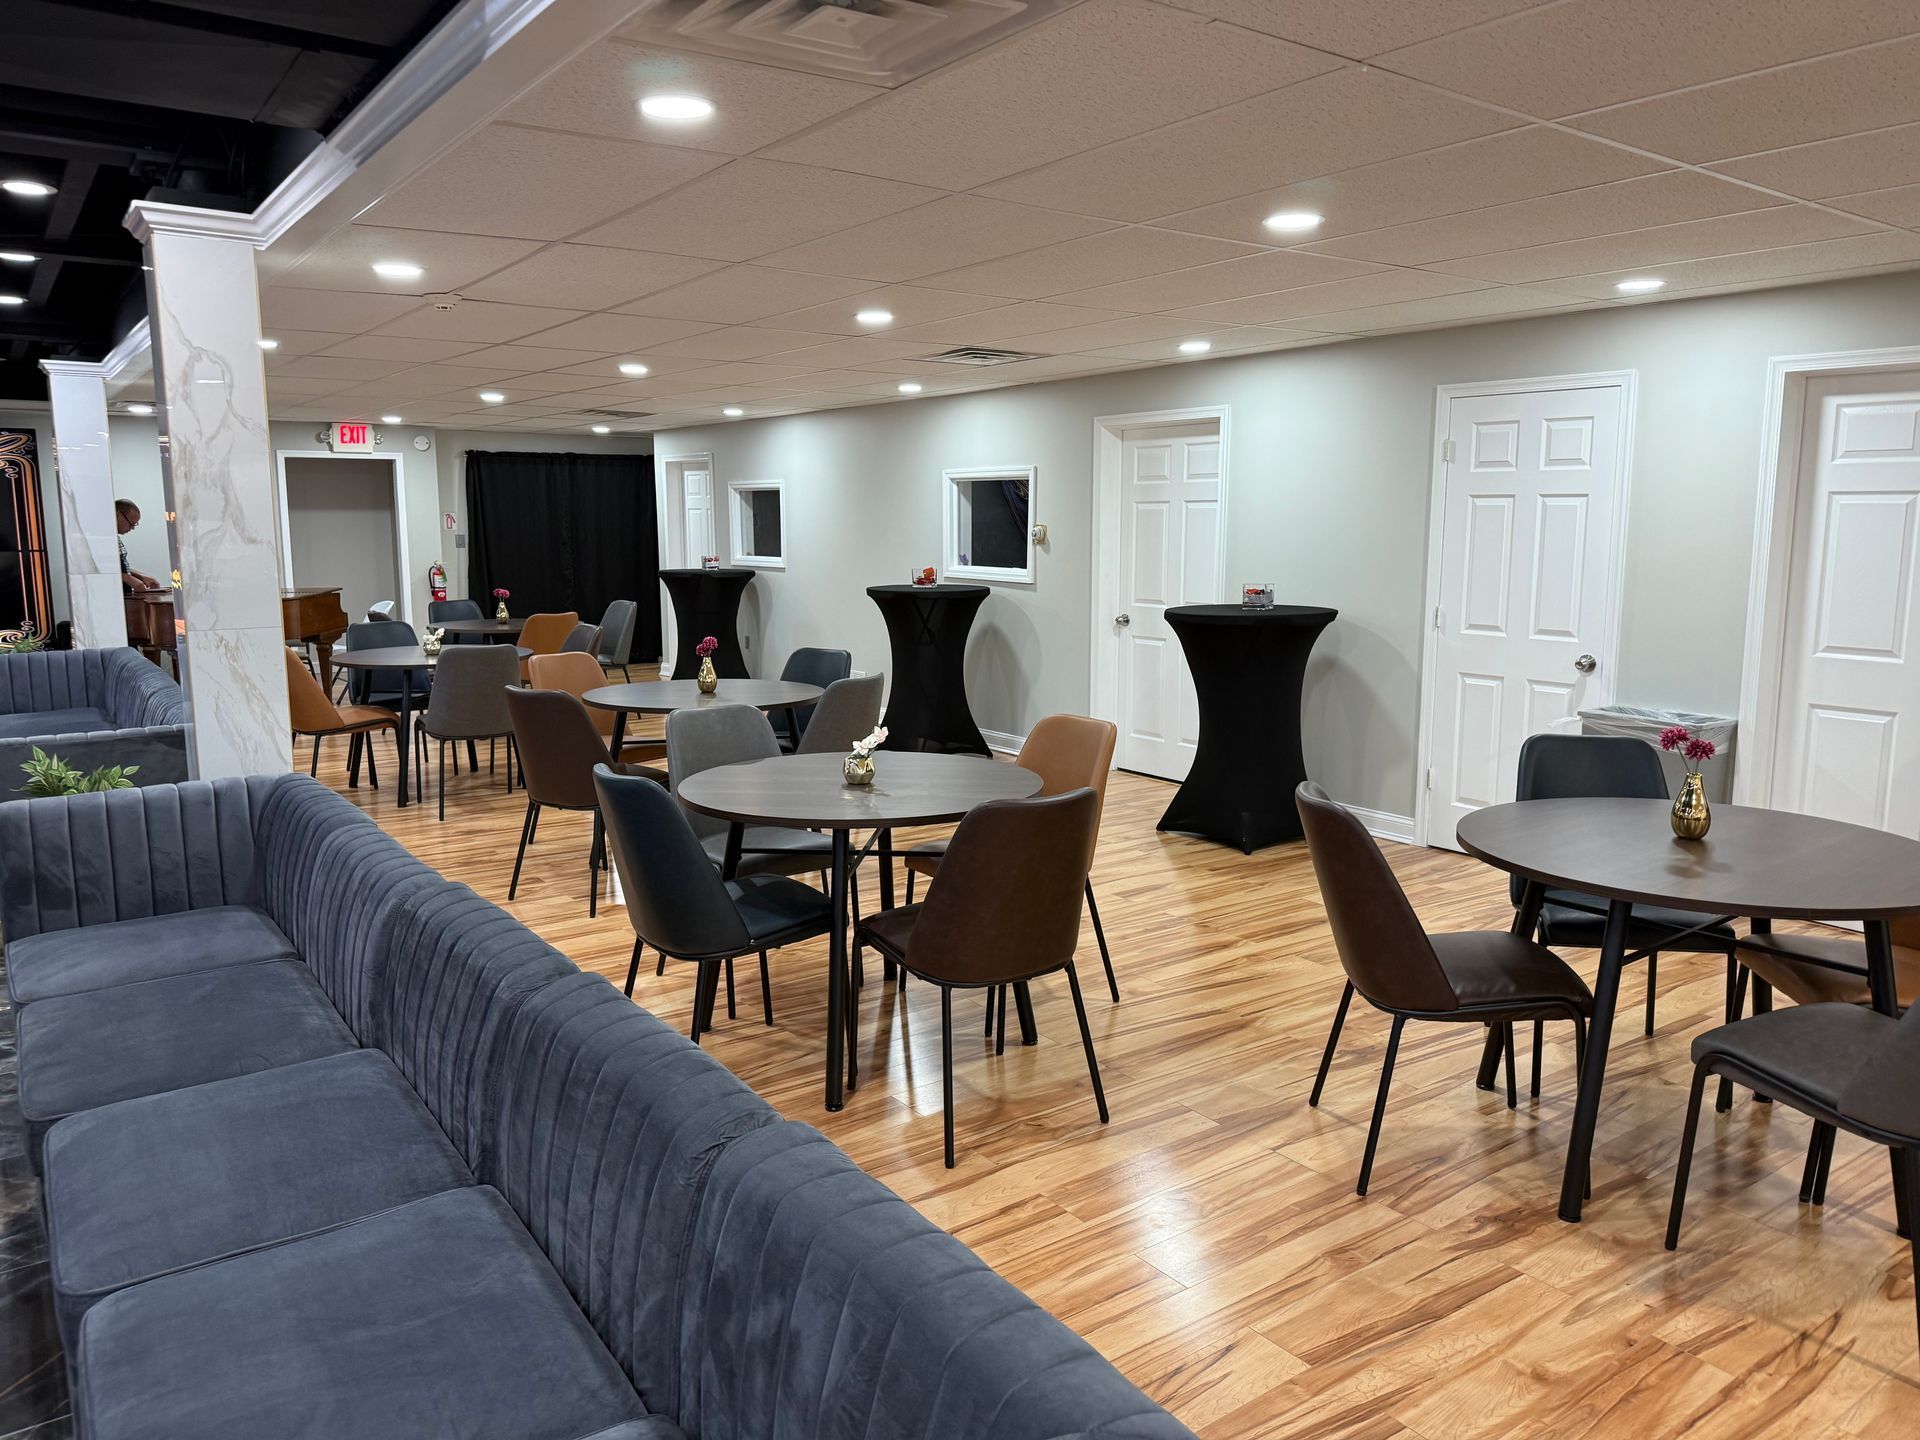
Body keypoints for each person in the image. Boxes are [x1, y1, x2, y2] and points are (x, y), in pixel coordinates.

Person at [116, 500, 160, 592]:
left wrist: (140, 576)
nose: (132, 528)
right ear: (117, 515)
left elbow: (117, 568)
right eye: (131, 523)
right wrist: (128, 579)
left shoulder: (114, 537)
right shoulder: (98, 538)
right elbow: (101, 573)